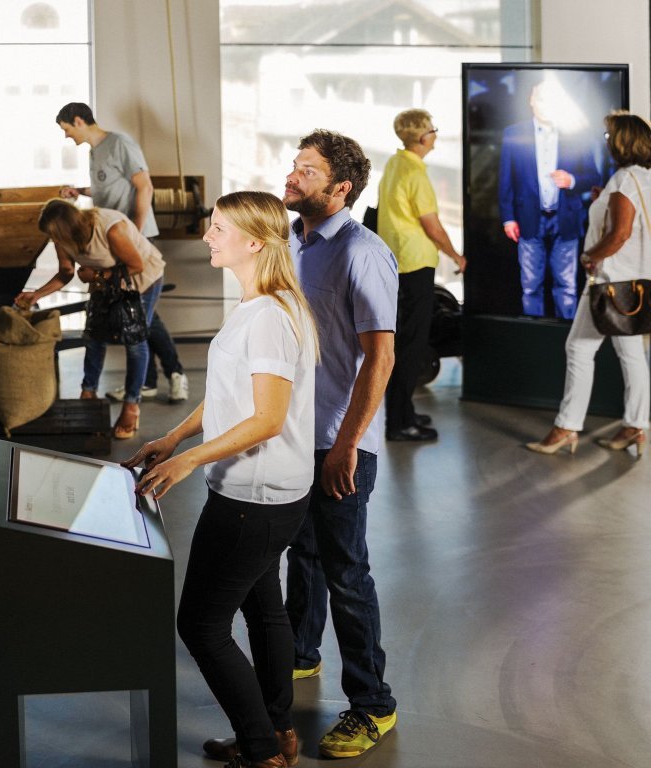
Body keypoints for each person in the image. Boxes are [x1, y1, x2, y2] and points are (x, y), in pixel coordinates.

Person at [123, 191, 317, 768]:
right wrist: (175, 438)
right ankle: (277, 732)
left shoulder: (267, 319)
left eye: (218, 228)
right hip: (269, 492)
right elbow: (230, 399)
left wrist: (188, 461)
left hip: (251, 499)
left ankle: (261, 752)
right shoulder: (266, 304)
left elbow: (267, 418)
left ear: (254, 241)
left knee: (201, 625)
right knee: (264, 609)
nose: (208, 236)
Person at [283, 130, 399, 758]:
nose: (292, 176)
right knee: (302, 554)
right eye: (294, 165)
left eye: (307, 170)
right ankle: (301, 656)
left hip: (341, 441)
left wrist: (346, 445)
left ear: (340, 188)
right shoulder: (295, 243)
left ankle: (374, 706)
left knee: (347, 572)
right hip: (298, 434)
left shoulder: (362, 252)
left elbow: (380, 357)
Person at [526, 111, 651, 456]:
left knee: (579, 350)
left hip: (609, 281)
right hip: (633, 282)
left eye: (611, 137)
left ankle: (566, 427)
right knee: (631, 355)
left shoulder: (625, 180)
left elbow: (620, 233)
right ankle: (635, 427)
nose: (607, 142)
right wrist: (601, 200)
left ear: (624, 142)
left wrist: (588, 257)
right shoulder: (642, 178)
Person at [56, 102, 189, 403]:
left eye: (66, 130)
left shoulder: (120, 143)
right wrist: (79, 192)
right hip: (112, 240)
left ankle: (175, 375)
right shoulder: (95, 151)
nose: (66, 136)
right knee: (140, 317)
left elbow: (145, 187)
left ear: (78, 121)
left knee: (140, 317)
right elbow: (106, 190)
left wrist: (135, 232)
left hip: (133, 239)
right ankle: (150, 381)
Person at [15, 199, 164, 439]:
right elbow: (65, 273)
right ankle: (88, 391)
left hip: (142, 281)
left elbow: (135, 265)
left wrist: (95, 275)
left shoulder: (111, 229)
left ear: (67, 229)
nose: (54, 241)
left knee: (134, 341)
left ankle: (131, 404)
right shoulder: (63, 239)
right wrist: (36, 294)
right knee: (94, 337)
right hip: (104, 283)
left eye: (55, 236)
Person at [377, 109, 467, 442]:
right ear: (422, 137)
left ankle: (404, 412)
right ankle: (399, 424)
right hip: (415, 264)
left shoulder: (394, 163)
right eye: (433, 129)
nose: (435, 134)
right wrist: (456, 255)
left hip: (397, 262)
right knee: (412, 346)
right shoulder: (416, 174)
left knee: (404, 342)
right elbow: (432, 226)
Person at [498, 80, 599, 318]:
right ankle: (534, 337)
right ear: (531, 100)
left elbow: (595, 176)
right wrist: (508, 218)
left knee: (566, 286)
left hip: (566, 219)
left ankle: (565, 336)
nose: (544, 105)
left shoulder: (576, 134)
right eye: (540, 98)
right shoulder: (513, 133)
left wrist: (572, 180)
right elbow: (505, 178)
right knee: (531, 286)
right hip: (527, 218)